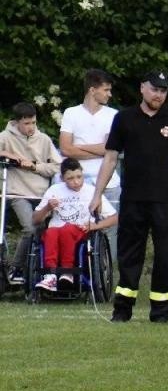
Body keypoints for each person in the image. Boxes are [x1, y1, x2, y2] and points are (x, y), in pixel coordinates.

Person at [89, 70, 168, 323]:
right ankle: (122, 310)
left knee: (165, 255)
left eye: (163, 91)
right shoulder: (124, 118)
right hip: (132, 199)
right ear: (142, 88)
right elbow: (110, 158)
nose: (158, 95)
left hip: (165, 200)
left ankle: (162, 311)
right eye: (154, 89)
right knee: (129, 256)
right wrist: (97, 194)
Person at [31, 158, 117, 292]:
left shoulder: (92, 191)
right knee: (50, 232)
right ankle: (50, 275)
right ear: (62, 178)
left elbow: (114, 218)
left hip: (81, 230)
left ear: (83, 174)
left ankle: (67, 272)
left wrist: (94, 226)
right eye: (70, 178)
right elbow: (35, 220)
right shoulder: (54, 190)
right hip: (56, 230)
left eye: (79, 177)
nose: (76, 182)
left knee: (67, 229)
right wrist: (47, 207)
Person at [58, 68, 120, 254]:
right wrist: (100, 150)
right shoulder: (71, 113)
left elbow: (109, 149)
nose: (109, 94)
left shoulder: (113, 115)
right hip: (77, 179)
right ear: (92, 90)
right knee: (74, 223)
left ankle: (108, 267)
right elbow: (65, 149)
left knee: (109, 227)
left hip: (108, 179)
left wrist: (79, 147)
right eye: (106, 90)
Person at [1, 102, 60, 236]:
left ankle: (34, 251)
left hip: (41, 193)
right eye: (26, 123)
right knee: (30, 228)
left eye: (33, 122)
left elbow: (57, 166)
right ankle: (20, 253)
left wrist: (34, 167)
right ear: (17, 122)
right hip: (17, 193)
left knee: (43, 231)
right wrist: (6, 154)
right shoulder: (4, 137)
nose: (31, 127)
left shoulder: (44, 139)